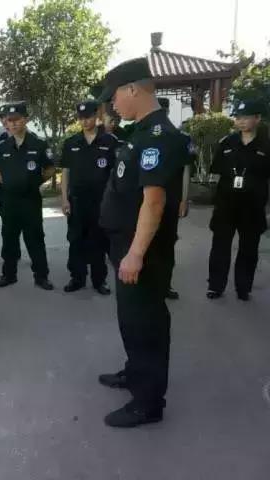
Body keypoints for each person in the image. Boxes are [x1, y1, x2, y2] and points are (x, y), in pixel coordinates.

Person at [97, 58, 187, 427]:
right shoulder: (140, 132)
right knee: (131, 318)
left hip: (143, 251)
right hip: (125, 244)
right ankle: (135, 373)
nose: (111, 104)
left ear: (132, 89)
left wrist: (135, 254)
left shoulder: (158, 136)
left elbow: (154, 201)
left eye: (113, 96)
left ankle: (148, 403)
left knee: (146, 322)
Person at [207, 99, 270, 301]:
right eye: (238, 118)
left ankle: (243, 287)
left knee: (248, 248)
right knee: (220, 246)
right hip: (226, 204)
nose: (241, 121)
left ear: (257, 118)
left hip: (253, 206)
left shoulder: (266, 145)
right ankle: (216, 286)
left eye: (246, 117)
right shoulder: (227, 143)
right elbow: (216, 171)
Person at [0, 102, 56, 291]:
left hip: (30, 200)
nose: (12, 124)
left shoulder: (38, 144)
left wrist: (35, 182)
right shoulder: (2, 146)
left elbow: (50, 168)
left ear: (25, 119)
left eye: (17, 120)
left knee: (35, 239)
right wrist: (10, 182)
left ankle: (41, 277)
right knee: (9, 240)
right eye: (9, 120)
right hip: (9, 201)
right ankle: (9, 275)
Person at [60, 100, 117, 295]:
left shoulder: (109, 142)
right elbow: (65, 172)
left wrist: (113, 201)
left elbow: (115, 174)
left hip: (101, 201)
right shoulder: (71, 143)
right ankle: (77, 278)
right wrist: (64, 199)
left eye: (88, 117)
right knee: (76, 240)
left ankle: (99, 280)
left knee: (98, 240)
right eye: (81, 118)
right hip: (77, 201)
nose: (85, 121)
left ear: (96, 116)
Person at [157, 97, 196, 300]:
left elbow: (186, 170)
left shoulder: (181, 138)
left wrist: (184, 199)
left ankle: (165, 284)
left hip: (170, 199)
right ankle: (148, 286)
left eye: (163, 110)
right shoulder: (142, 135)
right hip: (144, 200)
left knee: (167, 243)